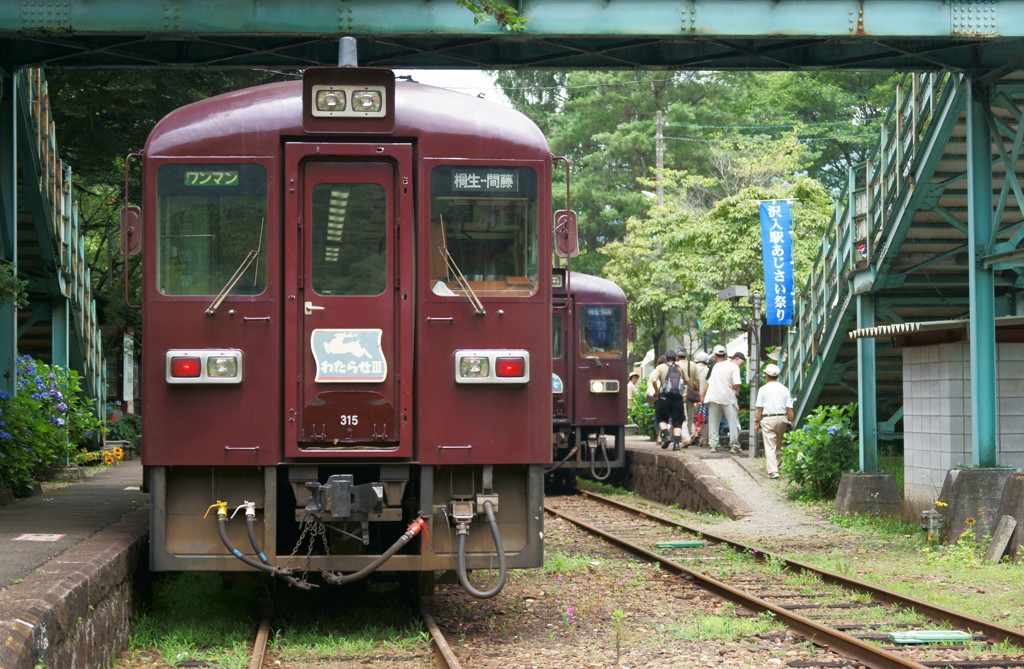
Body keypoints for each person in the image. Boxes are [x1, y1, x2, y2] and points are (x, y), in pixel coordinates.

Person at [754, 363, 794, 479]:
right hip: (782, 418)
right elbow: (789, 409)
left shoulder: (763, 389)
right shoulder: (784, 389)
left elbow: (759, 408)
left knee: (770, 446)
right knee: (779, 444)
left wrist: (756, 422)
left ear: (766, 376)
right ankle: (777, 466)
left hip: (768, 418)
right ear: (778, 376)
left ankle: (773, 471)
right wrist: (792, 422)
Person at [701, 346, 744, 454]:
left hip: (713, 397)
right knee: (733, 423)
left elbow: (708, 383)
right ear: (726, 354)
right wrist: (736, 394)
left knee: (714, 423)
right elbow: (736, 384)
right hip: (728, 397)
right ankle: (734, 446)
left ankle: (713, 445)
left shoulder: (715, 366)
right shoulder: (733, 367)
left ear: (715, 355)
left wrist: (703, 396)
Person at [651, 350, 687, 450]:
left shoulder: (660, 367)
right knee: (677, 422)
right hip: (678, 398)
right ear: (676, 358)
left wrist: (657, 391)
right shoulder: (680, 368)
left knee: (661, 418)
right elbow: (687, 381)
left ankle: (666, 436)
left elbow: (653, 380)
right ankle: (676, 444)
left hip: (664, 397)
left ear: (666, 358)